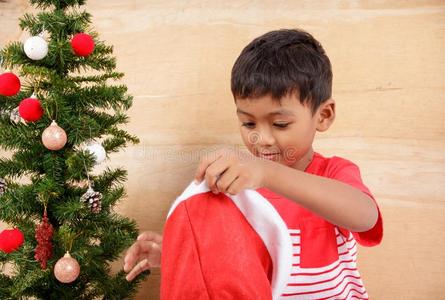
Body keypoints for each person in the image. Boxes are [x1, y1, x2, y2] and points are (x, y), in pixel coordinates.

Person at [124, 29, 383, 299]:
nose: (262, 138)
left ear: (324, 115)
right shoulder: (238, 189)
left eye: (280, 124)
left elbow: (366, 217)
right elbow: (231, 263)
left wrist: (268, 174)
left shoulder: (334, 173)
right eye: (248, 123)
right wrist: (180, 254)